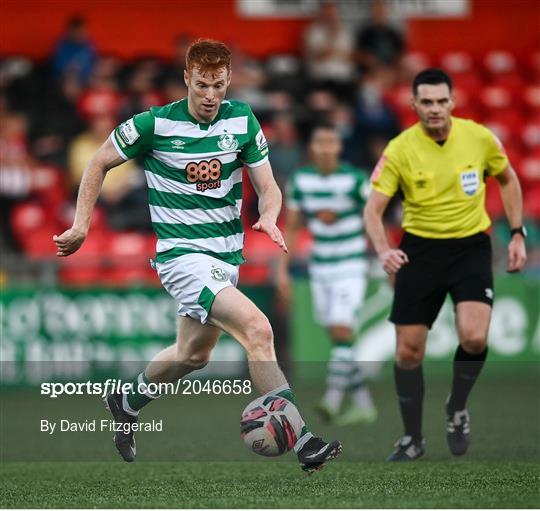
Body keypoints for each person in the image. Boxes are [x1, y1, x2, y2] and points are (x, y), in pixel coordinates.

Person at [53, 39, 342, 473]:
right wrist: (81, 226)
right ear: (187, 78)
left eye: (219, 86)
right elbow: (96, 163)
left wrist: (269, 215)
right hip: (182, 256)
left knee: (193, 355)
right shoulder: (154, 124)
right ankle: (304, 440)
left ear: (229, 82)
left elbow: (268, 187)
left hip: (226, 259)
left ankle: (125, 400)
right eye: (203, 85)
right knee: (258, 329)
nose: (211, 96)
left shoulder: (241, 119)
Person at [363, 68, 527, 461]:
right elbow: (373, 210)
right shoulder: (400, 149)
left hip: (471, 247)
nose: (435, 109)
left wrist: (518, 232)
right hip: (420, 251)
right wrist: (384, 249)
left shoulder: (479, 137)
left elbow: (508, 179)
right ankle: (413, 439)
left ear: (452, 102)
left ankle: (456, 408)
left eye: (441, 101)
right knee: (408, 353)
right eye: (427, 102)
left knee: (474, 338)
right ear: (414, 104)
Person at [277, 123, 377, 427]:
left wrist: (383, 254)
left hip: (351, 263)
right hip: (321, 266)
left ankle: (331, 400)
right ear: (312, 147)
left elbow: (374, 216)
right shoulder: (300, 181)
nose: (325, 148)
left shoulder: (356, 179)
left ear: (339, 147)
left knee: (342, 330)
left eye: (330, 142)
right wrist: (282, 268)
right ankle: (364, 405)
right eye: (319, 142)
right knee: (337, 337)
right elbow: (292, 226)